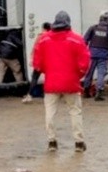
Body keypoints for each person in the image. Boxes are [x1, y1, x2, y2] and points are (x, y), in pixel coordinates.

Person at [32, 11, 90, 152]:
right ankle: (79, 143)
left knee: (50, 112)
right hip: (71, 82)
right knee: (75, 112)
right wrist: (77, 75)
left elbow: (37, 63)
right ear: (68, 23)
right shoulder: (77, 39)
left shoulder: (44, 39)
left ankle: (52, 142)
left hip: (51, 83)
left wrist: (49, 72)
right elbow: (85, 63)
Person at [82, 10, 108, 101]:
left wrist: (84, 52)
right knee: (101, 74)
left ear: (100, 19)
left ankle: (86, 91)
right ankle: (99, 93)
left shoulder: (93, 28)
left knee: (89, 72)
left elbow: (84, 40)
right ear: (107, 20)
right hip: (104, 55)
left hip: (92, 54)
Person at [23, 22, 50, 103]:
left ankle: (29, 95)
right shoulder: (52, 36)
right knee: (49, 78)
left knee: (35, 78)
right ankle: (47, 94)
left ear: (43, 28)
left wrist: (32, 58)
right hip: (48, 60)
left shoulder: (40, 36)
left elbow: (35, 48)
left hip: (40, 61)